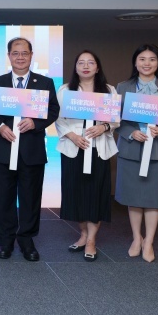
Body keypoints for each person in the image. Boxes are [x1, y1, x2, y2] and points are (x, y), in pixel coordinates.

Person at [0, 37, 60, 261]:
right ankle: (5, 241)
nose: (20, 57)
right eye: (15, 53)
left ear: (31, 55)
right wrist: (0, 127)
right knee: (4, 197)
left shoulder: (44, 83)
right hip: (4, 148)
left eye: (24, 53)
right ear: (9, 56)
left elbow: (53, 110)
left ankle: (27, 240)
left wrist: (36, 123)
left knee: (30, 197)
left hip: (32, 150)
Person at [115, 44, 158, 263]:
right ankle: (136, 238)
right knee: (133, 198)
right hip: (131, 149)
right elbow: (114, 119)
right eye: (142, 59)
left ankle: (149, 241)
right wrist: (131, 132)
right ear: (135, 63)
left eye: (152, 59)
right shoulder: (122, 87)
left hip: (157, 152)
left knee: (153, 199)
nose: (147, 63)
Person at [55, 50, 119, 262]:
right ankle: (83, 234)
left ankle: (91, 240)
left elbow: (116, 119)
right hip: (73, 148)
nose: (85, 66)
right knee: (75, 194)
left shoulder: (109, 90)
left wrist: (104, 127)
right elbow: (57, 118)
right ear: (75, 67)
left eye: (90, 62)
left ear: (97, 67)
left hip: (99, 149)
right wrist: (72, 136)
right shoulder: (66, 90)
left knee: (95, 195)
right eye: (81, 62)